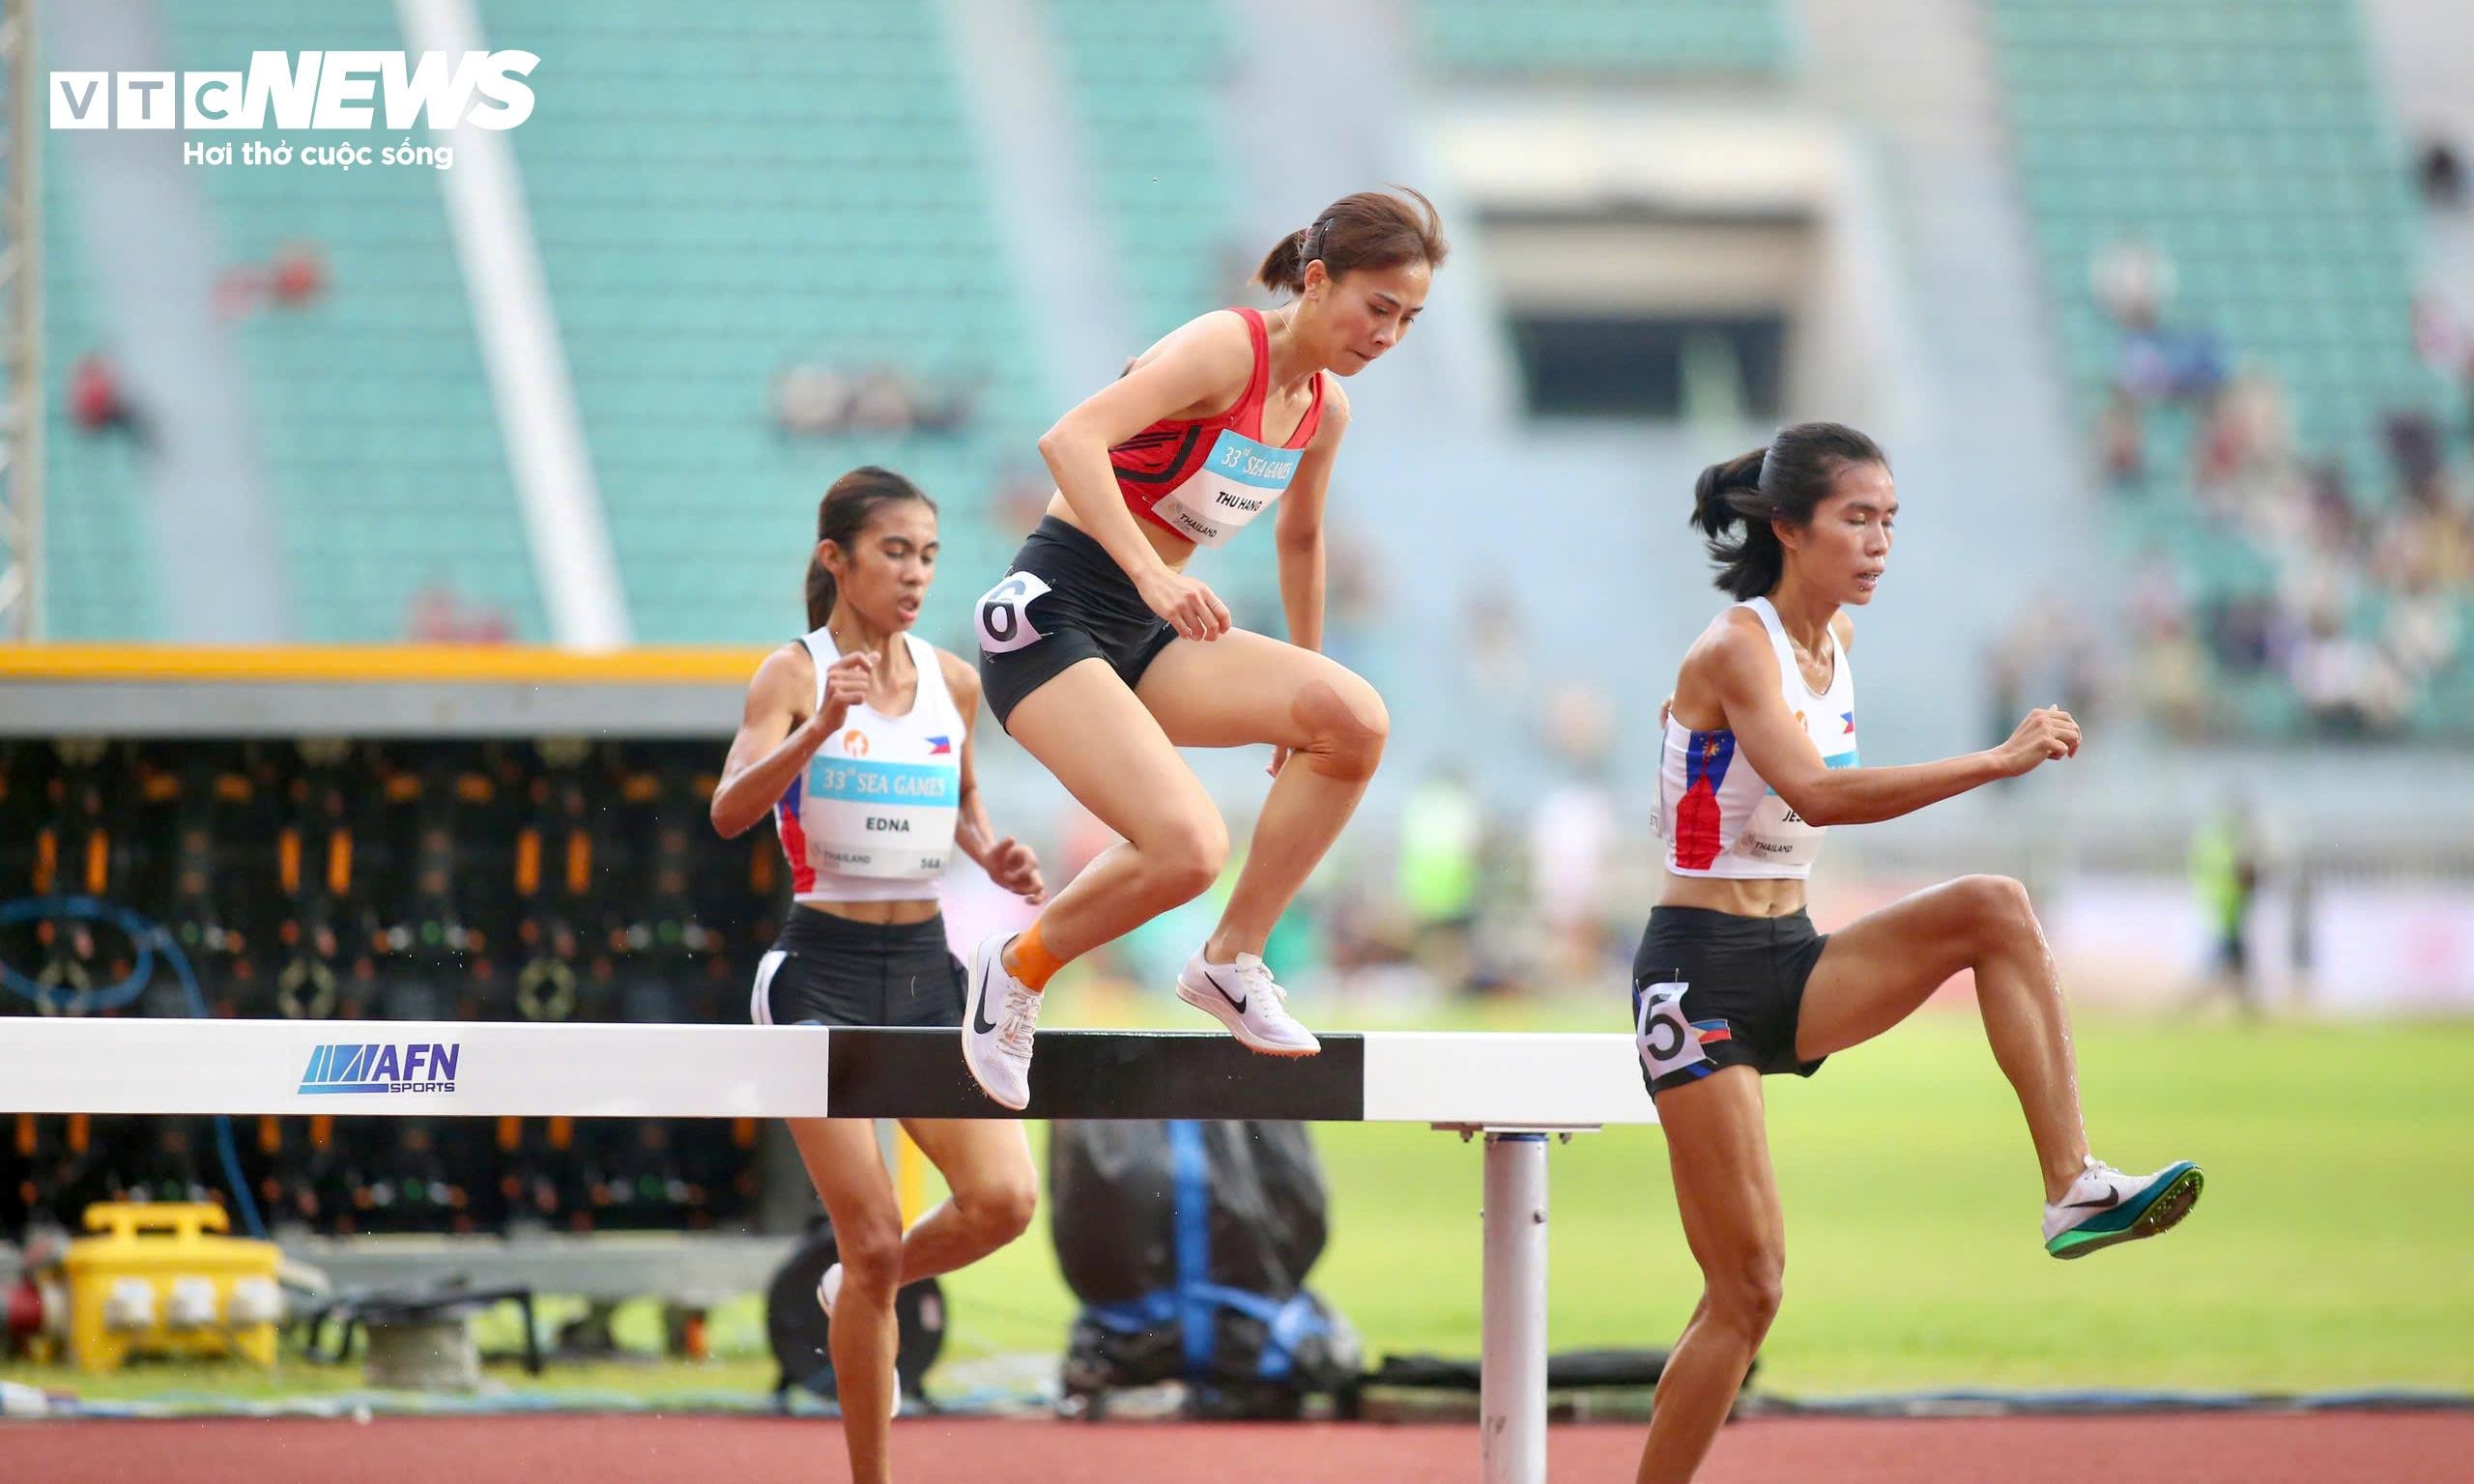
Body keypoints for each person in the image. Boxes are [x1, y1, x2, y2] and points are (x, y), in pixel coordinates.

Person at [1630, 423, 2203, 1483]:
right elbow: (1815, 794)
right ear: (1790, 528)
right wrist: (1996, 760)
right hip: (1695, 975)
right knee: (1748, 1291)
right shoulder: (1731, 648)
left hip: (1790, 957)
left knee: (1993, 906)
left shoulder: (1833, 647)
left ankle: (2071, 1185)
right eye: (1857, 518)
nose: (1879, 541)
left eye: (1890, 519)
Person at [956, 188, 1448, 1109]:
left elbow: (1301, 542)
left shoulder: (1323, 411)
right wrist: (1152, 574)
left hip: (1153, 633)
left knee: (1353, 721)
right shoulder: (1227, 348)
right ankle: (1015, 969)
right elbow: (1069, 439)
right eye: (1376, 307)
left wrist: (1303, 688)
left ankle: (1231, 961)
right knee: (1186, 847)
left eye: (1409, 320)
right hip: (1055, 615)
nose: (1388, 335)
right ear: (1315, 280)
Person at [709, 467, 1047, 1484]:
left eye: (930, 555)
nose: (916, 574)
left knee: (1002, 1203)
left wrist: (992, 854)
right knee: (868, 1241)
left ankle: (860, 1287)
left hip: (925, 972)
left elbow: (965, 800)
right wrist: (816, 732)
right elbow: (728, 810)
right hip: (819, 973)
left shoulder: (954, 680)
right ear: (835, 560)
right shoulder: (791, 676)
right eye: (895, 551)